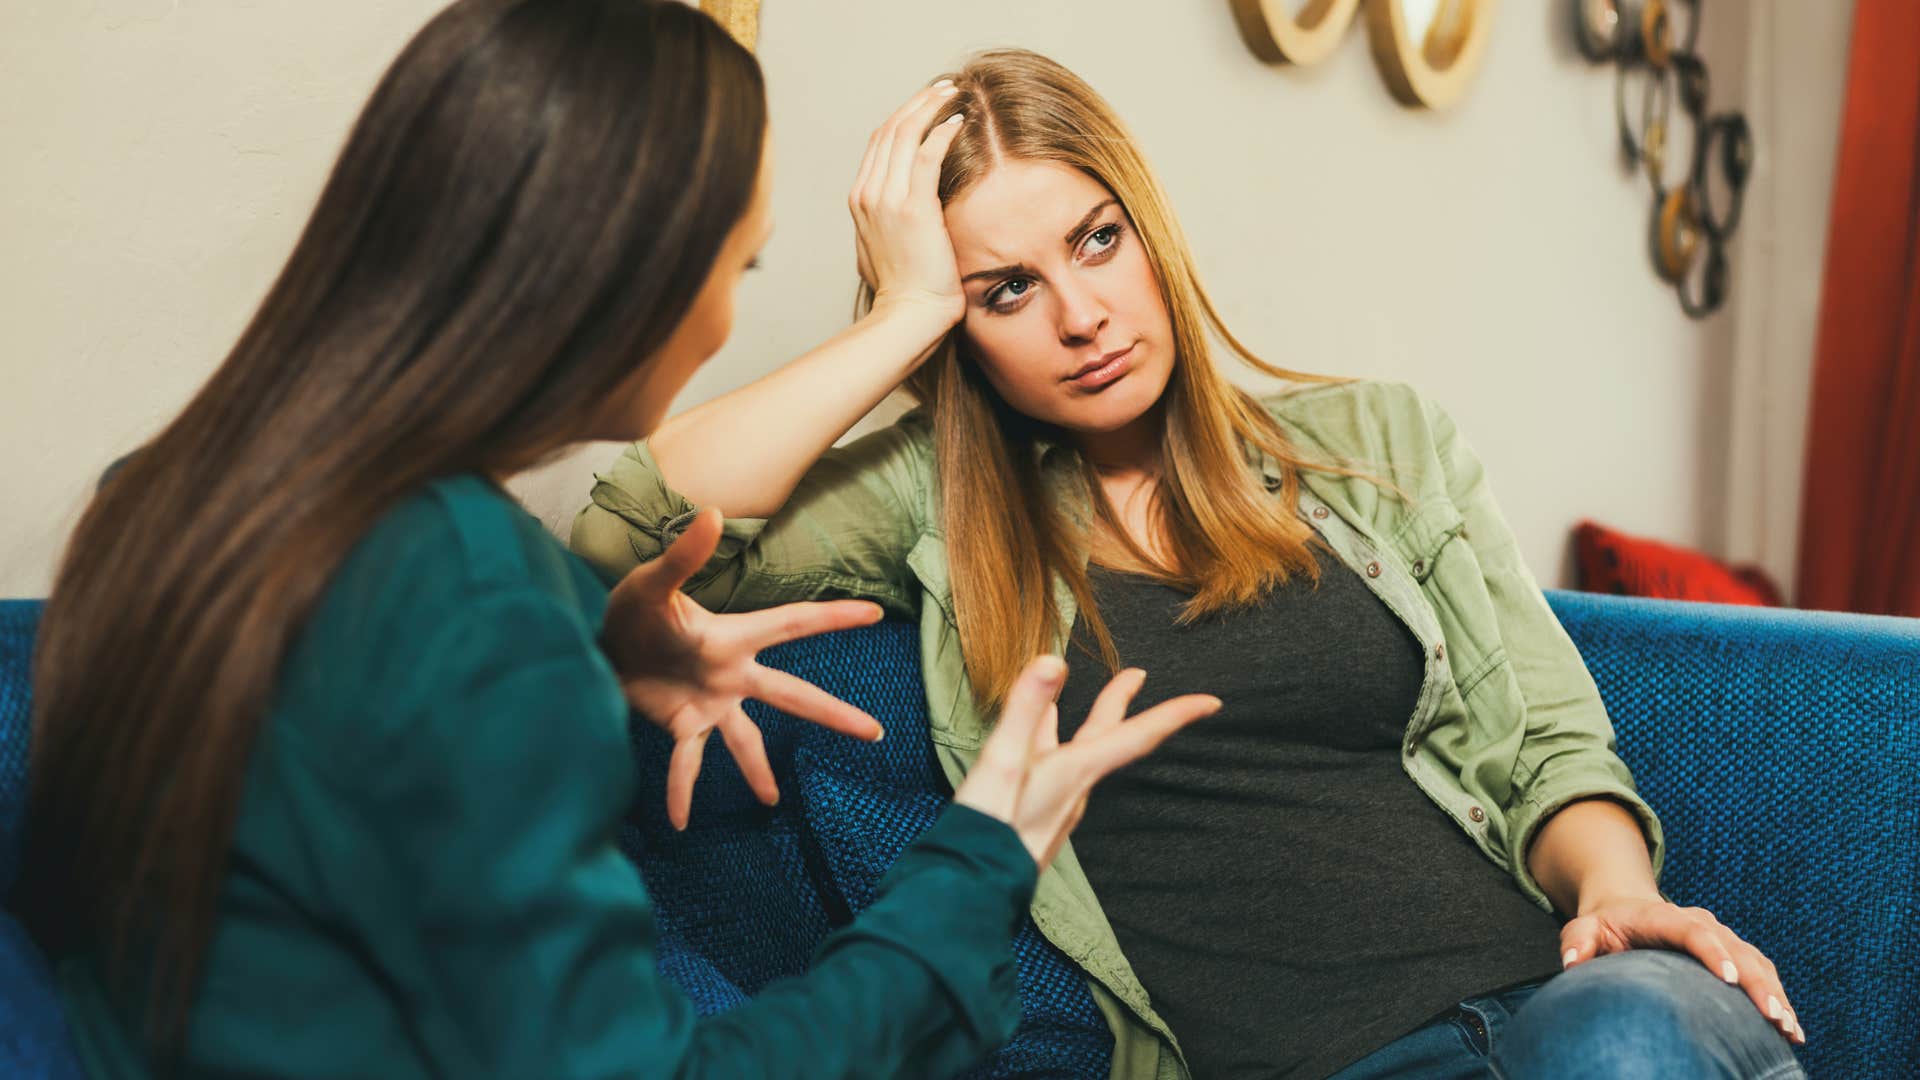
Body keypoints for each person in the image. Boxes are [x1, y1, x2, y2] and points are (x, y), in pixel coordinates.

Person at [12, 7, 1219, 1077]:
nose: (726, 318)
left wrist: (595, 647)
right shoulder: (478, 601)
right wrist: (980, 863)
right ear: (628, 275)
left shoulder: (160, 494)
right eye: (735, 265)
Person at [571, 48, 1809, 1080]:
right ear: (964, 331)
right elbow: (630, 526)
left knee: (1625, 1032)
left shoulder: (1379, 442)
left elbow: (1545, 745)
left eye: (1097, 240)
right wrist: (903, 316)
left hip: (1574, 1020)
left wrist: (1615, 891)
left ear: (1147, 229)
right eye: (1006, 290)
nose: (1081, 314)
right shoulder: (939, 512)